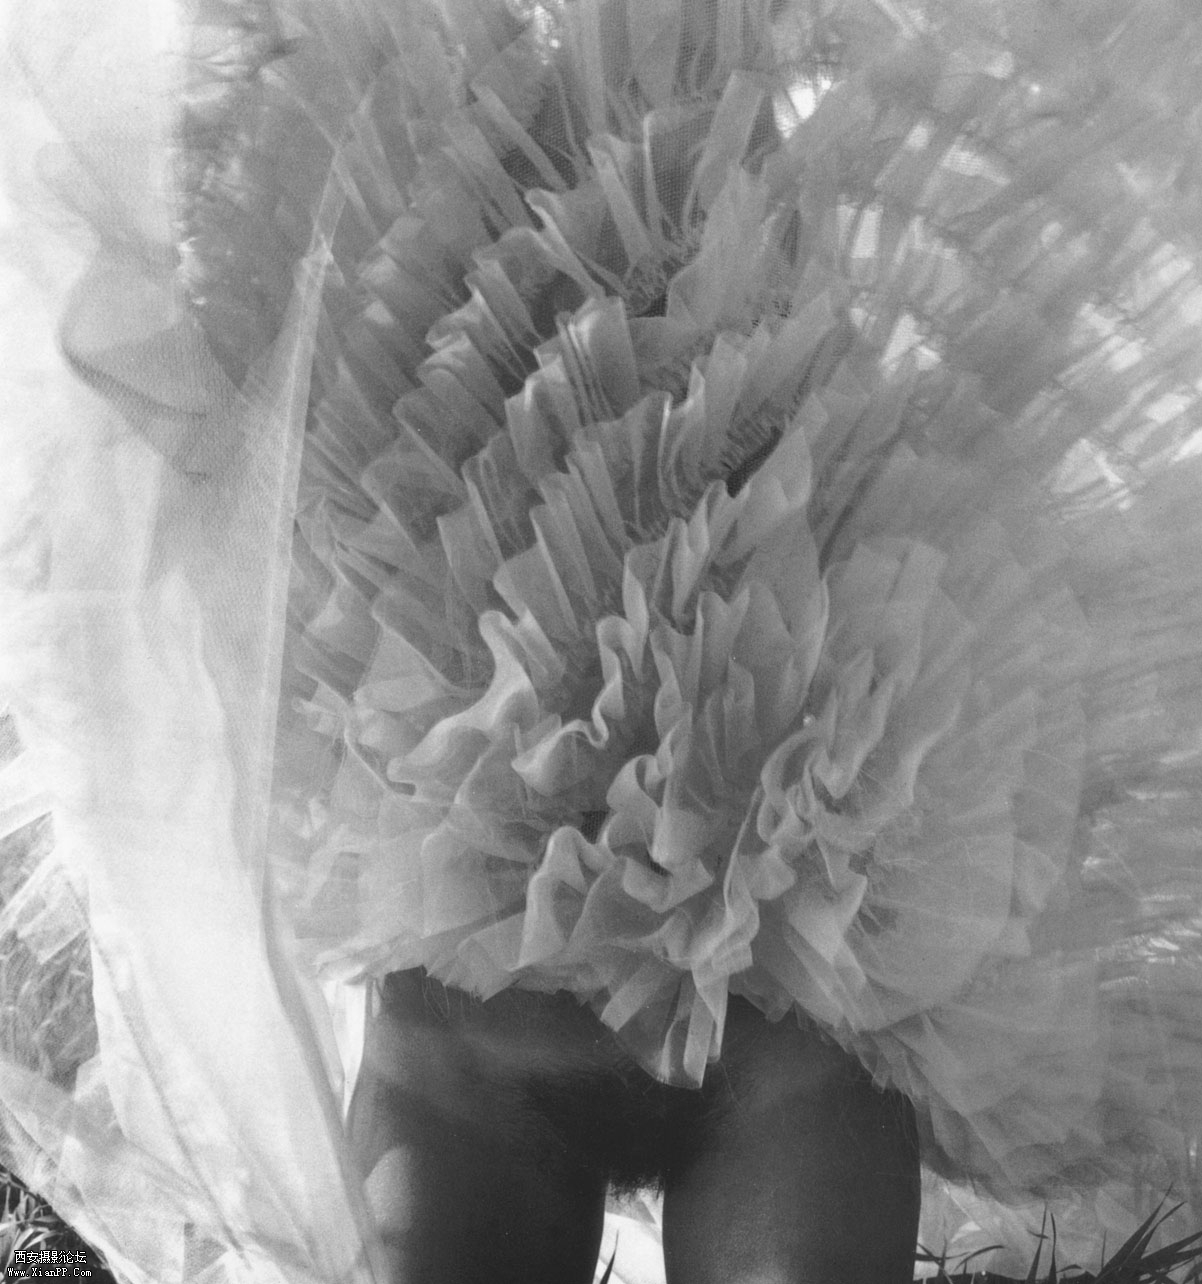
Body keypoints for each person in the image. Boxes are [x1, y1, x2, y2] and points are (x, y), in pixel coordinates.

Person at [1, 1, 1201, 1281]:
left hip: (751, 1046)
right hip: (562, 1061)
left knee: (637, 227)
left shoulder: (806, 482)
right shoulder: (378, 444)